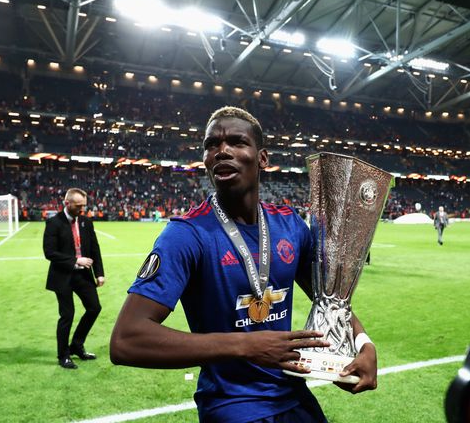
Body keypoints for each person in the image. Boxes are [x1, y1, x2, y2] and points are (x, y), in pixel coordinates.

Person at [110, 106, 377, 422]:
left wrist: (363, 343)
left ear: (262, 158)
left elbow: (330, 300)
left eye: (237, 142)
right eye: (211, 145)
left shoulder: (290, 225)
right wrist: (246, 346)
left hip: (292, 396)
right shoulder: (186, 235)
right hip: (232, 406)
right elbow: (126, 340)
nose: (222, 151)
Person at [43, 188, 105, 369]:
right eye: (78, 206)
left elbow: (95, 248)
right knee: (67, 315)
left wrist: (99, 273)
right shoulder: (54, 223)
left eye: (84, 205)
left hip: (83, 275)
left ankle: (77, 345)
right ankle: (63, 355)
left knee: (94, 308)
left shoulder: (86, 222)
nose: (82, 209)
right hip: (62, 276)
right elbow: (50, 253)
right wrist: (76, 260)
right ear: (67, 204)